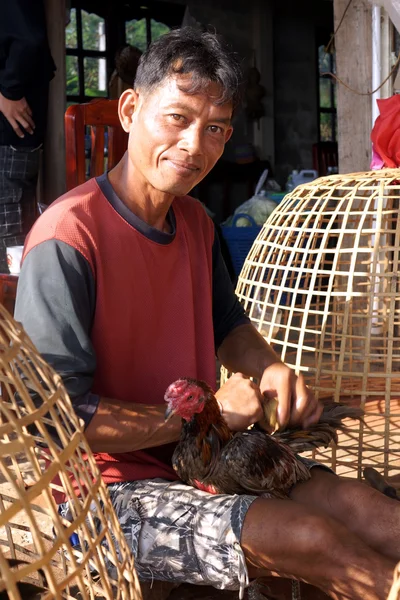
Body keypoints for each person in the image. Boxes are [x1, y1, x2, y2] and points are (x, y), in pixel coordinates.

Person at [15, 27, 400, 600]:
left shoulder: (195, 223)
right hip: (100, 488)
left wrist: (269, 370)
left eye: (215, 129)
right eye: (177, 118)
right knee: (311, 537)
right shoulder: (69, 237)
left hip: (201, 454)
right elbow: (58, 421)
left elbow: (230, 327)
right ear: (130, 109)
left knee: (360, 506)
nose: (195, 144)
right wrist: (206, 414)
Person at [0, 0, 56, 273]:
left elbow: (29, 39)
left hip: (11, 130)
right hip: (11, 131)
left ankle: (16, 316)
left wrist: (9, 92)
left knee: (10, 247)